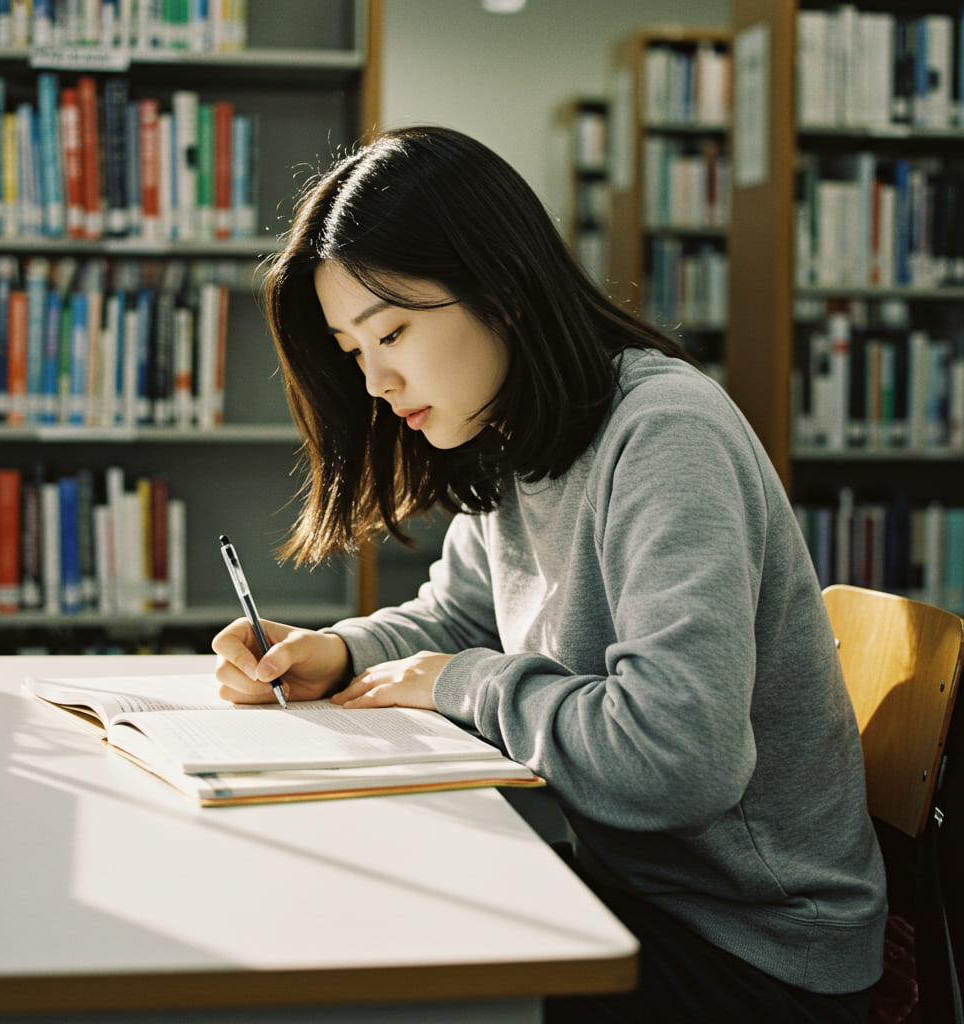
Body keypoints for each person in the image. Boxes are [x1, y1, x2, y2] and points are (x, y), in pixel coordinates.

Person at [212, 125, 887, 1022]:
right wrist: (336, 653)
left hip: (757, 953)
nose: (374, 380)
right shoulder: (514, 436)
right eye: (353, 351)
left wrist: (462, 685)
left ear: (500, 286)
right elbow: (461, 617)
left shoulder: (665, 434)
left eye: (393, 332)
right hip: (634, 898)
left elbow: (677, 760)